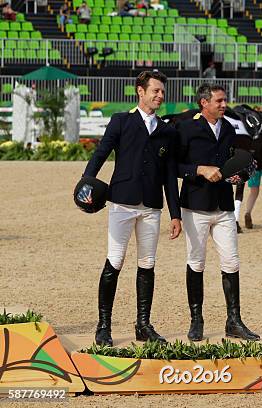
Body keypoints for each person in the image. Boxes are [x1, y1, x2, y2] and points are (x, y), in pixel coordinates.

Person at [82, 70, 182, 346]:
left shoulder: (167, 131)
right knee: (115, 261)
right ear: (141, 91)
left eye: (162, 91)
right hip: (122, 202)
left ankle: (143, 324)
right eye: (156, 91)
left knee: (147, 264)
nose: (160, 95)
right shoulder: (121, 121)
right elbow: (101, 153)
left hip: (151, 206)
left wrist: (175, 214)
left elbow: (170, 175)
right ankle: (103, 325)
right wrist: (86, 183)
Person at [175, 83, 260, 341]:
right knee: (196, 262)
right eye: (220, 101)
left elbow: (230, 162)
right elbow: (175, 166)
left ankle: (233, 320)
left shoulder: (228, 129)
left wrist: (238, 175)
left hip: (223, 206)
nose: (225, 105)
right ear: (204, 103)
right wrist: (199, 169)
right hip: (195, 205)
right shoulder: (187, 128)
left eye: (225, 101)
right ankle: (196, 320)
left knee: (232, 262)